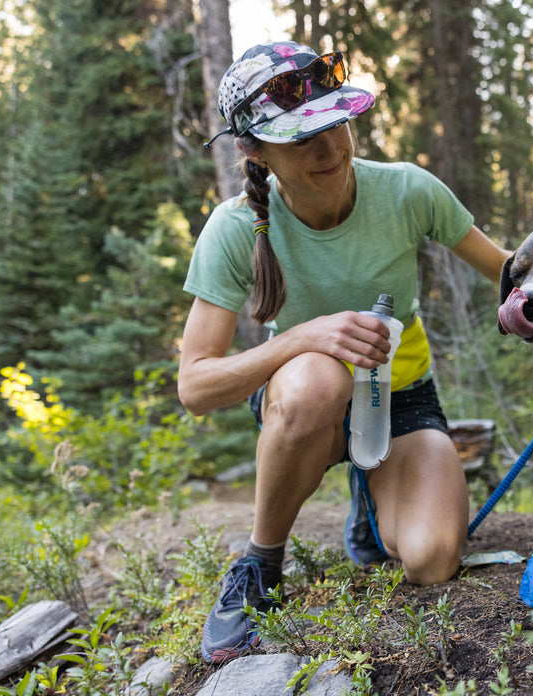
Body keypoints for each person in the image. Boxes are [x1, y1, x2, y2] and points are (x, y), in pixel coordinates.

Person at [179, 40, 510, 663]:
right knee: (313, 380)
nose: (330, 149)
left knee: (433, 558)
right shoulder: (234, 228)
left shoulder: (408, 192)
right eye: (302, 138)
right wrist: (306, 336)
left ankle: (371, 497)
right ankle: (261, 563)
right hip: (309, 409)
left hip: (404, 399)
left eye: (336, 124)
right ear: (254, 150)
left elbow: (511, 274)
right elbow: (195, 386)